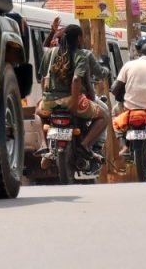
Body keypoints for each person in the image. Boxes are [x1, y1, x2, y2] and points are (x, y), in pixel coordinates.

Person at [40, 22, 108, 174]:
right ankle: (85, 145)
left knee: (38, 114)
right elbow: (78, 80)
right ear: (79, 39)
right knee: (104, 116)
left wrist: (45, 96)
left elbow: (43, 77)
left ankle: (44, 146)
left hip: (50, 102)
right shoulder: (83, 55)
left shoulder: (49, 53)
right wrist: (73, 100)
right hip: (75, 102)